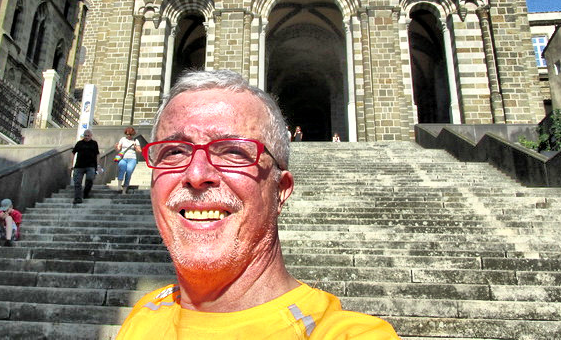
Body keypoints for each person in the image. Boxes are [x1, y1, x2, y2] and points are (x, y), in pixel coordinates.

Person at [116, 70, 399, 339]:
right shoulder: (143, 315)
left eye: (234, 151)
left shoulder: (346, 334)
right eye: (175, 151)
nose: (197, 175)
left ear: (281, 189)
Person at [71, 129, 100, 204]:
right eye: (85, 136)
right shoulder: (79, 143)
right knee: (77, 182)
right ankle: (77, 198)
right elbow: (73, 153)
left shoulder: (94, 143)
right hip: (79, 166)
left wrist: (98, 165)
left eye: (88, 136)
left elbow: (97, 154)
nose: (86, 137)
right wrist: (71, 164)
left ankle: (86, 193)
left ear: (91, 136)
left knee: (90, 179)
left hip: (91, 166)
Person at [115, 126, 141, 194]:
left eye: (130, 134)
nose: (129, 136)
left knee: (129, 172)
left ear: (133, 134)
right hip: (123, 158)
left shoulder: (135, 140)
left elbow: (139, 151)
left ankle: (124, 189)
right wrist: (117, 147)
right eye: (127, 134)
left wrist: (135, 147)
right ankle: (119, 186)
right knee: (122, 168)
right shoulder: (123, 139)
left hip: (132, 159)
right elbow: (118, 148)